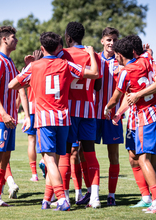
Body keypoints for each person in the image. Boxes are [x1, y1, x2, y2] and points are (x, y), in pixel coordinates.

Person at [9, 31, 99, 211]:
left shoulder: (34, 66)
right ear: (59, 48)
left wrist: (30, 79)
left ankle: (61, 198)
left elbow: (12, 85)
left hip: (45, 119)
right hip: (64, 118)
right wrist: (91, 54)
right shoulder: (66, 64)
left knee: (49, 160)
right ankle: (46, 198)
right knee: (55, 162)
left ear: (42, 49)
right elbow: (94, 73)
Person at [105, 37, 156, 214]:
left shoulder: (126, 71)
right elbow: (132, 94)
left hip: (144, 117)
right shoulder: (149, 59)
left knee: (143, 159)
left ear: (120, 54)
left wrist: (108, 108)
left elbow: (117, 97)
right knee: (148, 159)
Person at [0, 26, 30, 209]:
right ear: (4, 40)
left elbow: (20, 86)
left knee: (5, 159)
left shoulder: (10, 62)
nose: (16, 39)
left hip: (10, 119)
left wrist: (30, 66)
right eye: (13, 37)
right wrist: (3, 113)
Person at [57, 21, 101, 208]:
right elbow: (98, 85)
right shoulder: (93, 55)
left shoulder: (64, 54)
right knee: (90, 153)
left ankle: (64, 197)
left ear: (68, 37)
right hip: (88, 109)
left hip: (69, 111)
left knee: (65, 154)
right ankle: (95, 197)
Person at [94, 27, 122, 206]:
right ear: (102, 41)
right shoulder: (94, 59)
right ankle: (90, 192)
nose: (111, 43)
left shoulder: (122, 61)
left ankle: (111, 194)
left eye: (114, 40)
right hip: (93, 115)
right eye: (108, 39)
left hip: (114, 116)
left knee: (114, 156)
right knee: (84, 152)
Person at [24, 50, 44, 182]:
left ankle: (34, 174)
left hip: (31, 108)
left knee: (31, 140)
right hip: (44, 107)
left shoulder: (29, 69)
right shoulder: (48, 67)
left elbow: (21, 88)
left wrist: (28, 65)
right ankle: (44, 161)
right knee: (45, 139)